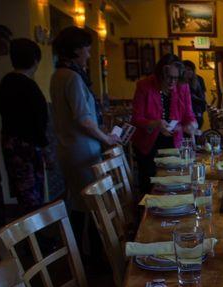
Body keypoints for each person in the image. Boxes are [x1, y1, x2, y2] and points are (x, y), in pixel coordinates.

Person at [50, 27, 120, 218]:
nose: (89, 55)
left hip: (67, 147)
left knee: (78, 202)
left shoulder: (58, 75)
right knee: (92, 205)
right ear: (77, 49)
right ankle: (93, 247)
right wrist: (106, 137)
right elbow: (84, 120)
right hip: (82, 150)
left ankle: (81, 246)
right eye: (87, 50)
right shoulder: (73, 77)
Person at [131, 54, 197, 193]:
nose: (173, 81)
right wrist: (156, 123)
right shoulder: (144, 86)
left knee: (173, 182)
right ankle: (146, 212)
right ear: (160, 74)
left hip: (173, 142)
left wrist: (192, 124)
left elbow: (188, 114)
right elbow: (136, 119)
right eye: (169, 77)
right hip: (148, 145)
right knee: (150, 185)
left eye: (176, 77)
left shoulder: (182, 87)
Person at [0, 38, 48, 214]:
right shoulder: (28, 85)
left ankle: (28, 234)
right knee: (33, 194)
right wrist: (45, 149)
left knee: (23, 194)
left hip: (11, 145)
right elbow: (38, 121)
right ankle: (36, 237)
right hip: (28, 147)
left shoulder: (6, 82)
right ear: (35, 60)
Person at [182, 60, 206, 129]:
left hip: (197, 110)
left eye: (190, 69)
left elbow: (203, 96)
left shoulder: (199, 79)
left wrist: (202, 108)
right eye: (185, 70)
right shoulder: (181, 82)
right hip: (185, 113)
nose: (188, 72)